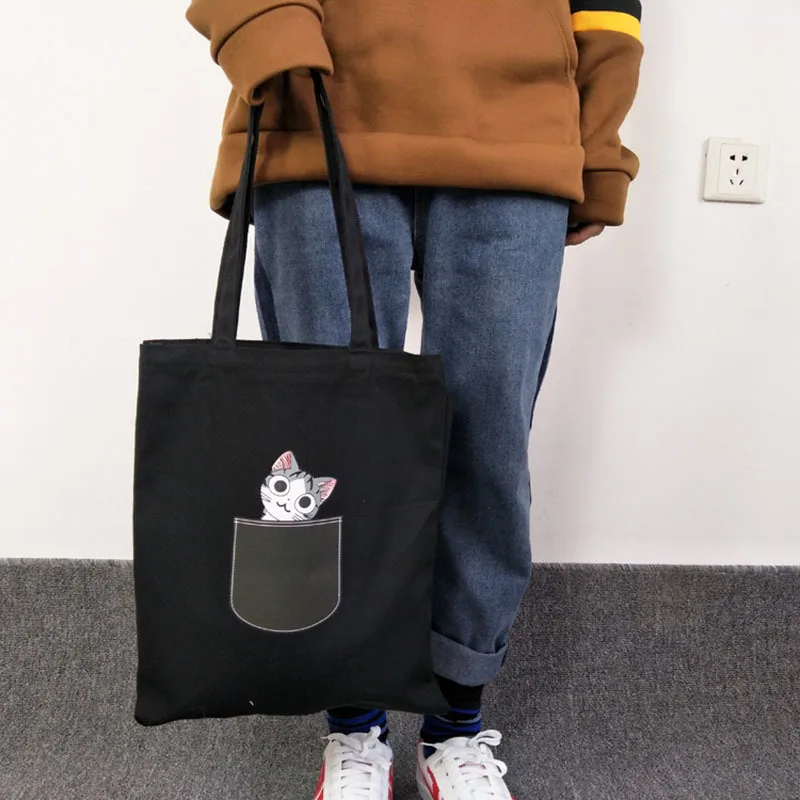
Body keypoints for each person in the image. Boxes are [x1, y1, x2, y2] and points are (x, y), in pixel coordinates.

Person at [186, 1, 643, 797]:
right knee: (324, 446)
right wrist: (265, 27)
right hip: (317, 106)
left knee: (487, 444)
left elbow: (609, 9)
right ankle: (353, 725)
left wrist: (597, 143)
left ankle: (455, 726)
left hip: (520, 126)